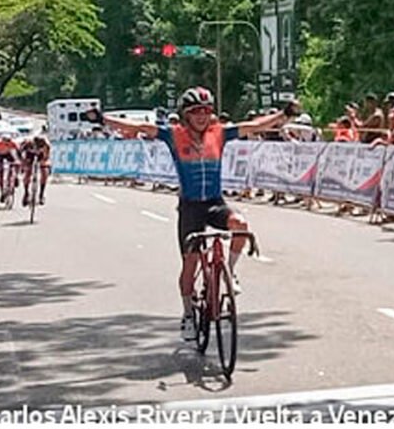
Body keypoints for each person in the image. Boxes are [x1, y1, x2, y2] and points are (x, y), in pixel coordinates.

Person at [103, 86, 288, 341]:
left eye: (206, 111)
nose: (202, 116)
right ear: (186, 114)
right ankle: (188, 314)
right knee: (189, 264)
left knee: (240, 225)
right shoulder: (173, 135)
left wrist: (283, 114)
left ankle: (230, 271)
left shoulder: (219, 133)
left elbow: (254, 125)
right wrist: (101, 118)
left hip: (214, 202)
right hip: (190, 207)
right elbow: (138, 127)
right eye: (195, 112)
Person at [18, 134, 52, 207]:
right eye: (35, 145)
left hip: (41, 156)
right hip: (29, 155)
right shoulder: (27, 143)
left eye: (40, 146)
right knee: (28, 172)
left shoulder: (46, 144)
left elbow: (47, 156)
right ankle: (26, 193)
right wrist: (23, 163)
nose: (37, 147)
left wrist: (45, 163)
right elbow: (19, 153)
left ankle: (41, 194)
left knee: (44, 172)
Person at [0, 134, 21, 202]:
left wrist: (19, 161)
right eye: (6, 141)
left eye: (9, 141)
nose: (7, 143)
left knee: (16, 164)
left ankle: (15, 176)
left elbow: (19, 153)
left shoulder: (13, 143)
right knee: (1, 173)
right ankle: (3, 192)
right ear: (2, 141)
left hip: (8, 154)